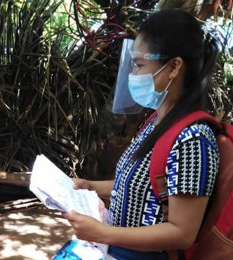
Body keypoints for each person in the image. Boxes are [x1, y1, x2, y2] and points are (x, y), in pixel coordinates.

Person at [62, 9, 220, 259]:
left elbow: (182, 231)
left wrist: (102, 233)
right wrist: (90, 187)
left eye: (138, 65)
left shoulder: (193, 138)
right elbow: (142, 185)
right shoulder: (158, 120)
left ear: (174, 67)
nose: (132, 75)